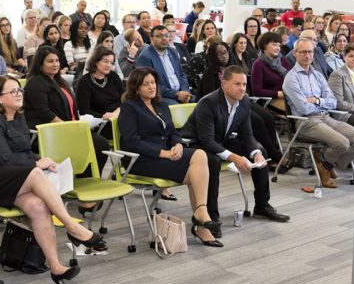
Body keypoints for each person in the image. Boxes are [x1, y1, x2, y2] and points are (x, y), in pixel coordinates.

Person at [0, 75, 104, 284]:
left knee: (38, 206)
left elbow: (24, 153)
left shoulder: (19, 119)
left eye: (19, 90)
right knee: (36, 172)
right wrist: (37, 164)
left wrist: (40, 159)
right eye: (13, 91)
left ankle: (56, 267)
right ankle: (71, 226)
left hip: (10, 180)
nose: (19, 94)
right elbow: (6, 158)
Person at [118, 68, 223, 246]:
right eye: (146, 84)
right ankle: (201, 222)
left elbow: (172, 132)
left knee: (199, 159)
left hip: (164, 155)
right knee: (196, 168)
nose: (151, 87)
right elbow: (132, 142)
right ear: (136, 87)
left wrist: (178, 144)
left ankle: (201, 217)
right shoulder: (129, 107)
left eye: (153, 82)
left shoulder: (161, 105)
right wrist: (163, 153)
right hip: (141, 160)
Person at [183, 65, 287, 224]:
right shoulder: (208, 103)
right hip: (196, 145)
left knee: (262, 153)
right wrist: (236, 158)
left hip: (220, 140)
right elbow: (207, 141)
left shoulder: (244, 101)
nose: (242, 88)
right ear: (224, 84)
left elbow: (247, 134)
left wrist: (255, 153)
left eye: (244, 84)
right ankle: (211, 214)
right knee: (213, 161)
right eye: (237, 84)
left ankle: (262, 205)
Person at [282, 39, 354, 188]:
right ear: (295, 53)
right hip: (306, 122)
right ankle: (326, 166)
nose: (307, 55)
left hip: (326, 117)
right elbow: (304, 109)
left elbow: (333, 102)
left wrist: (316, 101)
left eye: (310, 52)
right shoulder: (291, 78)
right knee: (342, 143)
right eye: (303, 52)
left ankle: (326, 164)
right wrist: (322, 102)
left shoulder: (317, 75)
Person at [137, 26, 192, 105]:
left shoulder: (173, 52)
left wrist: (185, 92)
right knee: (177, 108)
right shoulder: (145, 57)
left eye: (166, 35)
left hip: (181, 92)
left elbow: (182, 74)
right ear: (151, 38)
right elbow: (151, 85)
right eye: (159, 36)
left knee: (200, 103)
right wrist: (176, 94)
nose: (164, 38)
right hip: (162, 96)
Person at [75, 46, 123, 136]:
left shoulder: (114, 76)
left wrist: (116, 113)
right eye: (106, 61)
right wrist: (105, 116)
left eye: (111, 63)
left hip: (118, 116)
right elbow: (84, 110)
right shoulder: (84, 82)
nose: (109, 65)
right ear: (96, 62)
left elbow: (125, 99)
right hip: (100, 123)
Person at [251, 32, 294, 113]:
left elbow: (294, 78)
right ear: (264, 46)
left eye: (279, 45)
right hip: (272, 99)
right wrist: (278, 93)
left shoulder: (283, 60)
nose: (278, 48)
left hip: (289, 95)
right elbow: (256, 90)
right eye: (274, 45)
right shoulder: (258, 64)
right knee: (296, 110)